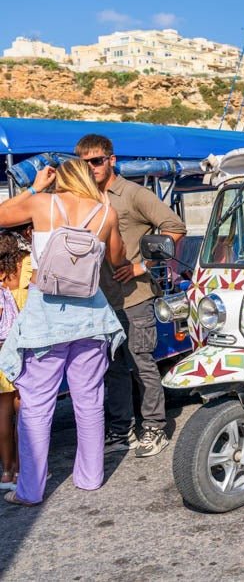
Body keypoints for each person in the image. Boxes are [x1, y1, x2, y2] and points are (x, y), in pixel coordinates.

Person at [0, 160, 126, 506]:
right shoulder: (105, 213)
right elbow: (117, 259)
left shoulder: (42, 203)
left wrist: (35, 186)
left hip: (47, 320)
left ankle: (30, 490)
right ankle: (90, 478)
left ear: (61, 179)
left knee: (37, 406)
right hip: (92, 319)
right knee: (89, 400)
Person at [75, 134, 187, 458]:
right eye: (84, 163)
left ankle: (154, 427)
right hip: (98, 298)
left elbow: (175, 227)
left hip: (135, 295)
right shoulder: (83, 198)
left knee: (141, 363)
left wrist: (143, 266)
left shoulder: (132, 194)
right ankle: (120, 429)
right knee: (110, 367)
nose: (90, 167)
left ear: (111, 159)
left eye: (96, 161)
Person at [0, 231, 30, 491]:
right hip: (18, 348)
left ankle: (7, 472)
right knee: (24, 411)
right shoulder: (25, 269)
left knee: (3, 413)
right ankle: (24, 469)